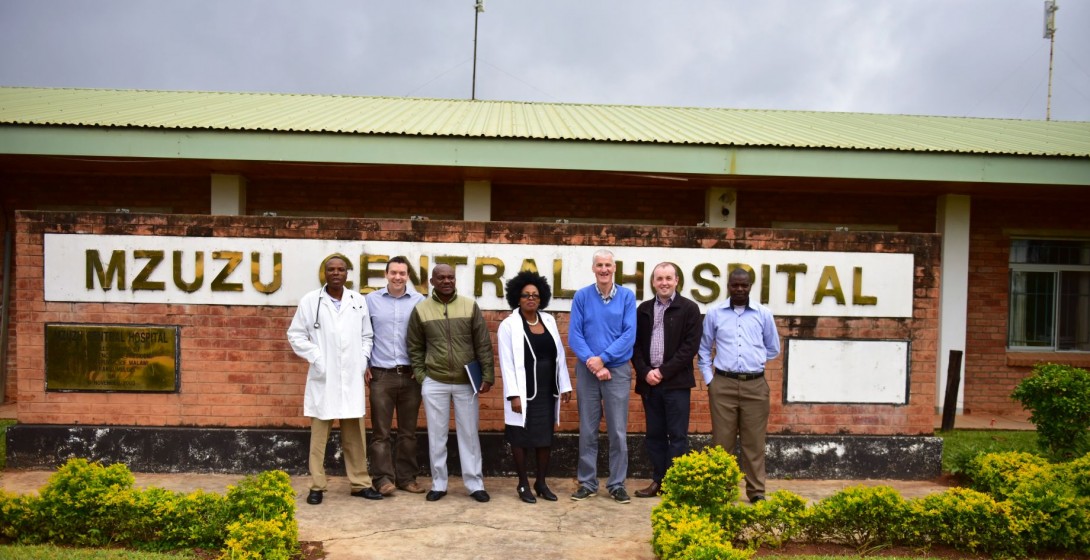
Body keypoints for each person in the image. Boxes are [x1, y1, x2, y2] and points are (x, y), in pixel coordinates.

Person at [287, 254, 384, 505]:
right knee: (319, 438)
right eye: (332, 269)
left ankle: (360, 483)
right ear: (325, 273)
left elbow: (367, 336)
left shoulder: (357, 300)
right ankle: (317, 485)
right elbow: (296, 335)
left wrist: (362, 360)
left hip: (351, 377)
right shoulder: (311, 301)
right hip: (324, 378)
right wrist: (317, 357)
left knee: (355, 437)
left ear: (347, 274)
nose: (336, 273)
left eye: (341, 269)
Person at [407, 263, 495, 503]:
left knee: (469, 434)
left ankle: (474, 484)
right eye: (441, 278)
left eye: (451, 277)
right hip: (435, 381)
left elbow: (483, 343)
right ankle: (439, 483)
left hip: (466, 381)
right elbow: (414, 346)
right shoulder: (421, 309)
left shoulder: (469, 306)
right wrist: (422, 375)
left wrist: (487, 376)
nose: (447, 281)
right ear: (432, 281)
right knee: (437, 436)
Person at [697, 267, 781, 503]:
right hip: (722, 385)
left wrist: (755, 360)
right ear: (728, 286)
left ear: (750, 287)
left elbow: (773, 348)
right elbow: (704, 349)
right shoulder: (714, 313)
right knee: (721, 443)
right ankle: (722, 492)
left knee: (753, 443)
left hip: (755, 386)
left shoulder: (763, 314)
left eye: (744, 285)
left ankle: (756, 492)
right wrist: (710, 381)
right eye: (735, 285)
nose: (740, 289)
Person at [567, 249, 637, 504]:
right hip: (588, 370)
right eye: (600, 265)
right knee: (587, 429)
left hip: (617, 370)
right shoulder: (582, 297)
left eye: (608, 265)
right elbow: (575, 335)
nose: (604, 269)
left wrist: (604, 359)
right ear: (593, 268)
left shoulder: (628, 297)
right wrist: (594, 364)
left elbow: (629, 335)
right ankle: (587, 482)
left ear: (614, 268)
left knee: (618, 430)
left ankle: (616, 484)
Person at [497, 270, 573, 504]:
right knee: (520, 438)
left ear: (542, 299)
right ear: (517, 298)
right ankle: (522, 484)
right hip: (523, 393)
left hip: (546, 391)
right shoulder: (509, 325)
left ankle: (541, 482)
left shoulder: (548, 320)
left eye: (535, 295)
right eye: (526, 295)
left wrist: (564, 385)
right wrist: (514, 395)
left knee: (544, 438)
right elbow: (506, 363)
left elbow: (558, 355)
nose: (531, 298)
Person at [631, 262, 703, 498]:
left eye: (668, 278)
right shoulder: (643, 310)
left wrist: (662, 372)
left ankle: (674, 485)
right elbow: (636, 346)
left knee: (678, 436)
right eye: (659, 278)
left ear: (677, 281)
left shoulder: (689, 309)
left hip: (676, 384)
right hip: (650, 385)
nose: (664, 283)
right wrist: (645, 372)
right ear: (653, 282)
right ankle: (658, 481)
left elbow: (689, 348)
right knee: (654, 435)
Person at [365, 256, 427, 496]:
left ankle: (407, 478)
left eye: (402, 273)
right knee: (381, 433)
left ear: (408, 276)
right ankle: (382, 479)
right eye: (394, 273)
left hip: (410, 376)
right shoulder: (370, 301)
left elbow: (427, 337)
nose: (398, 277)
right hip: (381, 375)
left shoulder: (420, 302)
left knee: (408, 433)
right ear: (386, 274)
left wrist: (421, 368)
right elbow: (362, 334)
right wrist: (365, 364)